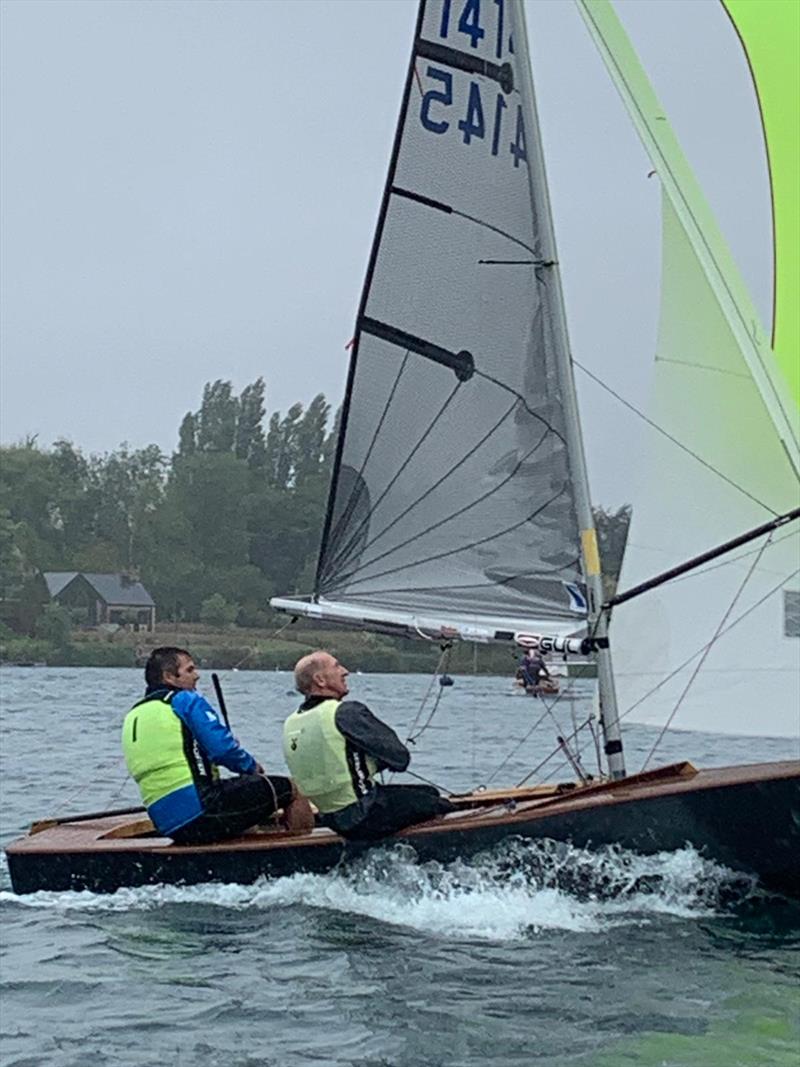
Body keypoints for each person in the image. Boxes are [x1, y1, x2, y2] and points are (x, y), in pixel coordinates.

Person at [122, 646, 312, 844]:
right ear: (169, 677)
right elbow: (223, 750)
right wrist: (252, 767)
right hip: (202, 809)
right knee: (294, 789)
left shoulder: (134, 714)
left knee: (240, 797)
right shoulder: (185, 700)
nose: (196, 676)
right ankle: (302, 854)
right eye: (189, 670)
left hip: (166, 822)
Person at [283, 651, 456, 840]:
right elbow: (400, 758)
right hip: (364, 815)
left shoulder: (291, 723)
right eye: (337, 666)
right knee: (439, 803)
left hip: (331, 818)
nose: (345, 671)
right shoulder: (346, 713)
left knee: (426, 792)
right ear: (320, 680)